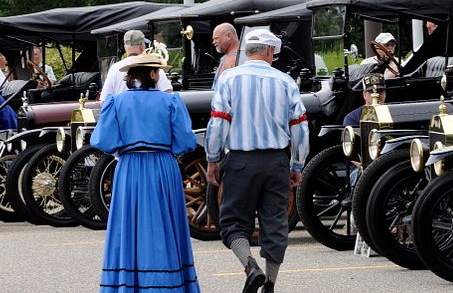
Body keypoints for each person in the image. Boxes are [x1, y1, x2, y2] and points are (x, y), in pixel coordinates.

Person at [206, 28, 309, 293]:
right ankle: (270, 285)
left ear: (247, 51)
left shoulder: (229, 79)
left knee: (233, 223)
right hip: (276, 162)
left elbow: (218, 123)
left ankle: (251, 267)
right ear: (269, 51)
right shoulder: (286, 81)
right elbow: (300, 127)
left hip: (240, 161)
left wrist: (213, 159)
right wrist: (296, 165)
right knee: (275, 225)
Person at [90, 53, 199, 292]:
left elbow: (103, 140)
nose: (160, 75)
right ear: (151, 74)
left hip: (129, 167)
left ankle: (129, 284)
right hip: (162, 166)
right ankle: (167, 285)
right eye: (158, 71)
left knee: (129, 224)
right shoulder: (170, 102)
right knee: (163, 223)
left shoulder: (116, 103)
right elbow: (186, 142)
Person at [99, 29, 173, 101]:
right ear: (142, 46)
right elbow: (167, 93)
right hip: (150, 111)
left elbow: (105, 99)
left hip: (123, 111)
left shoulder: (115, 68)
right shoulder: (153, 64)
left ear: (125, 46)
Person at [211, 23, 245, 88]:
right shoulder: (235, 56)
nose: (214, 42)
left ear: (229, 36)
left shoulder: (234, 59)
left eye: (216, 38)